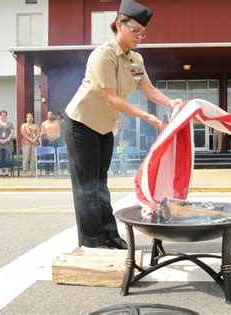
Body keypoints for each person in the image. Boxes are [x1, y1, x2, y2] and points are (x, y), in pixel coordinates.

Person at [63, 0, 182, 249]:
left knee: (100, 182)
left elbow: (147, 88)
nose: (140, 36)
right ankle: (92, 241)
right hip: (81, 124)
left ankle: (109, 234)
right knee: (86, 185)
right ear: (119, 24)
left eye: (143, 32)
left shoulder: (136, 60)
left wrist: (172, 103)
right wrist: (147, 117)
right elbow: (111, 97)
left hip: (104, 126)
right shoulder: (103, 55)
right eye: (135, 30)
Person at [0, 110, 15, 178]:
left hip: (8, 144)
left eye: (4, 115)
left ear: (6, 116)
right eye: (2, 115)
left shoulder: (10, 124)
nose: (3, 116)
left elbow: (12, 133)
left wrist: (7, 139)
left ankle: (7, 173)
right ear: (0, 116)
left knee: (7, 158)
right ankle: (1, 173)